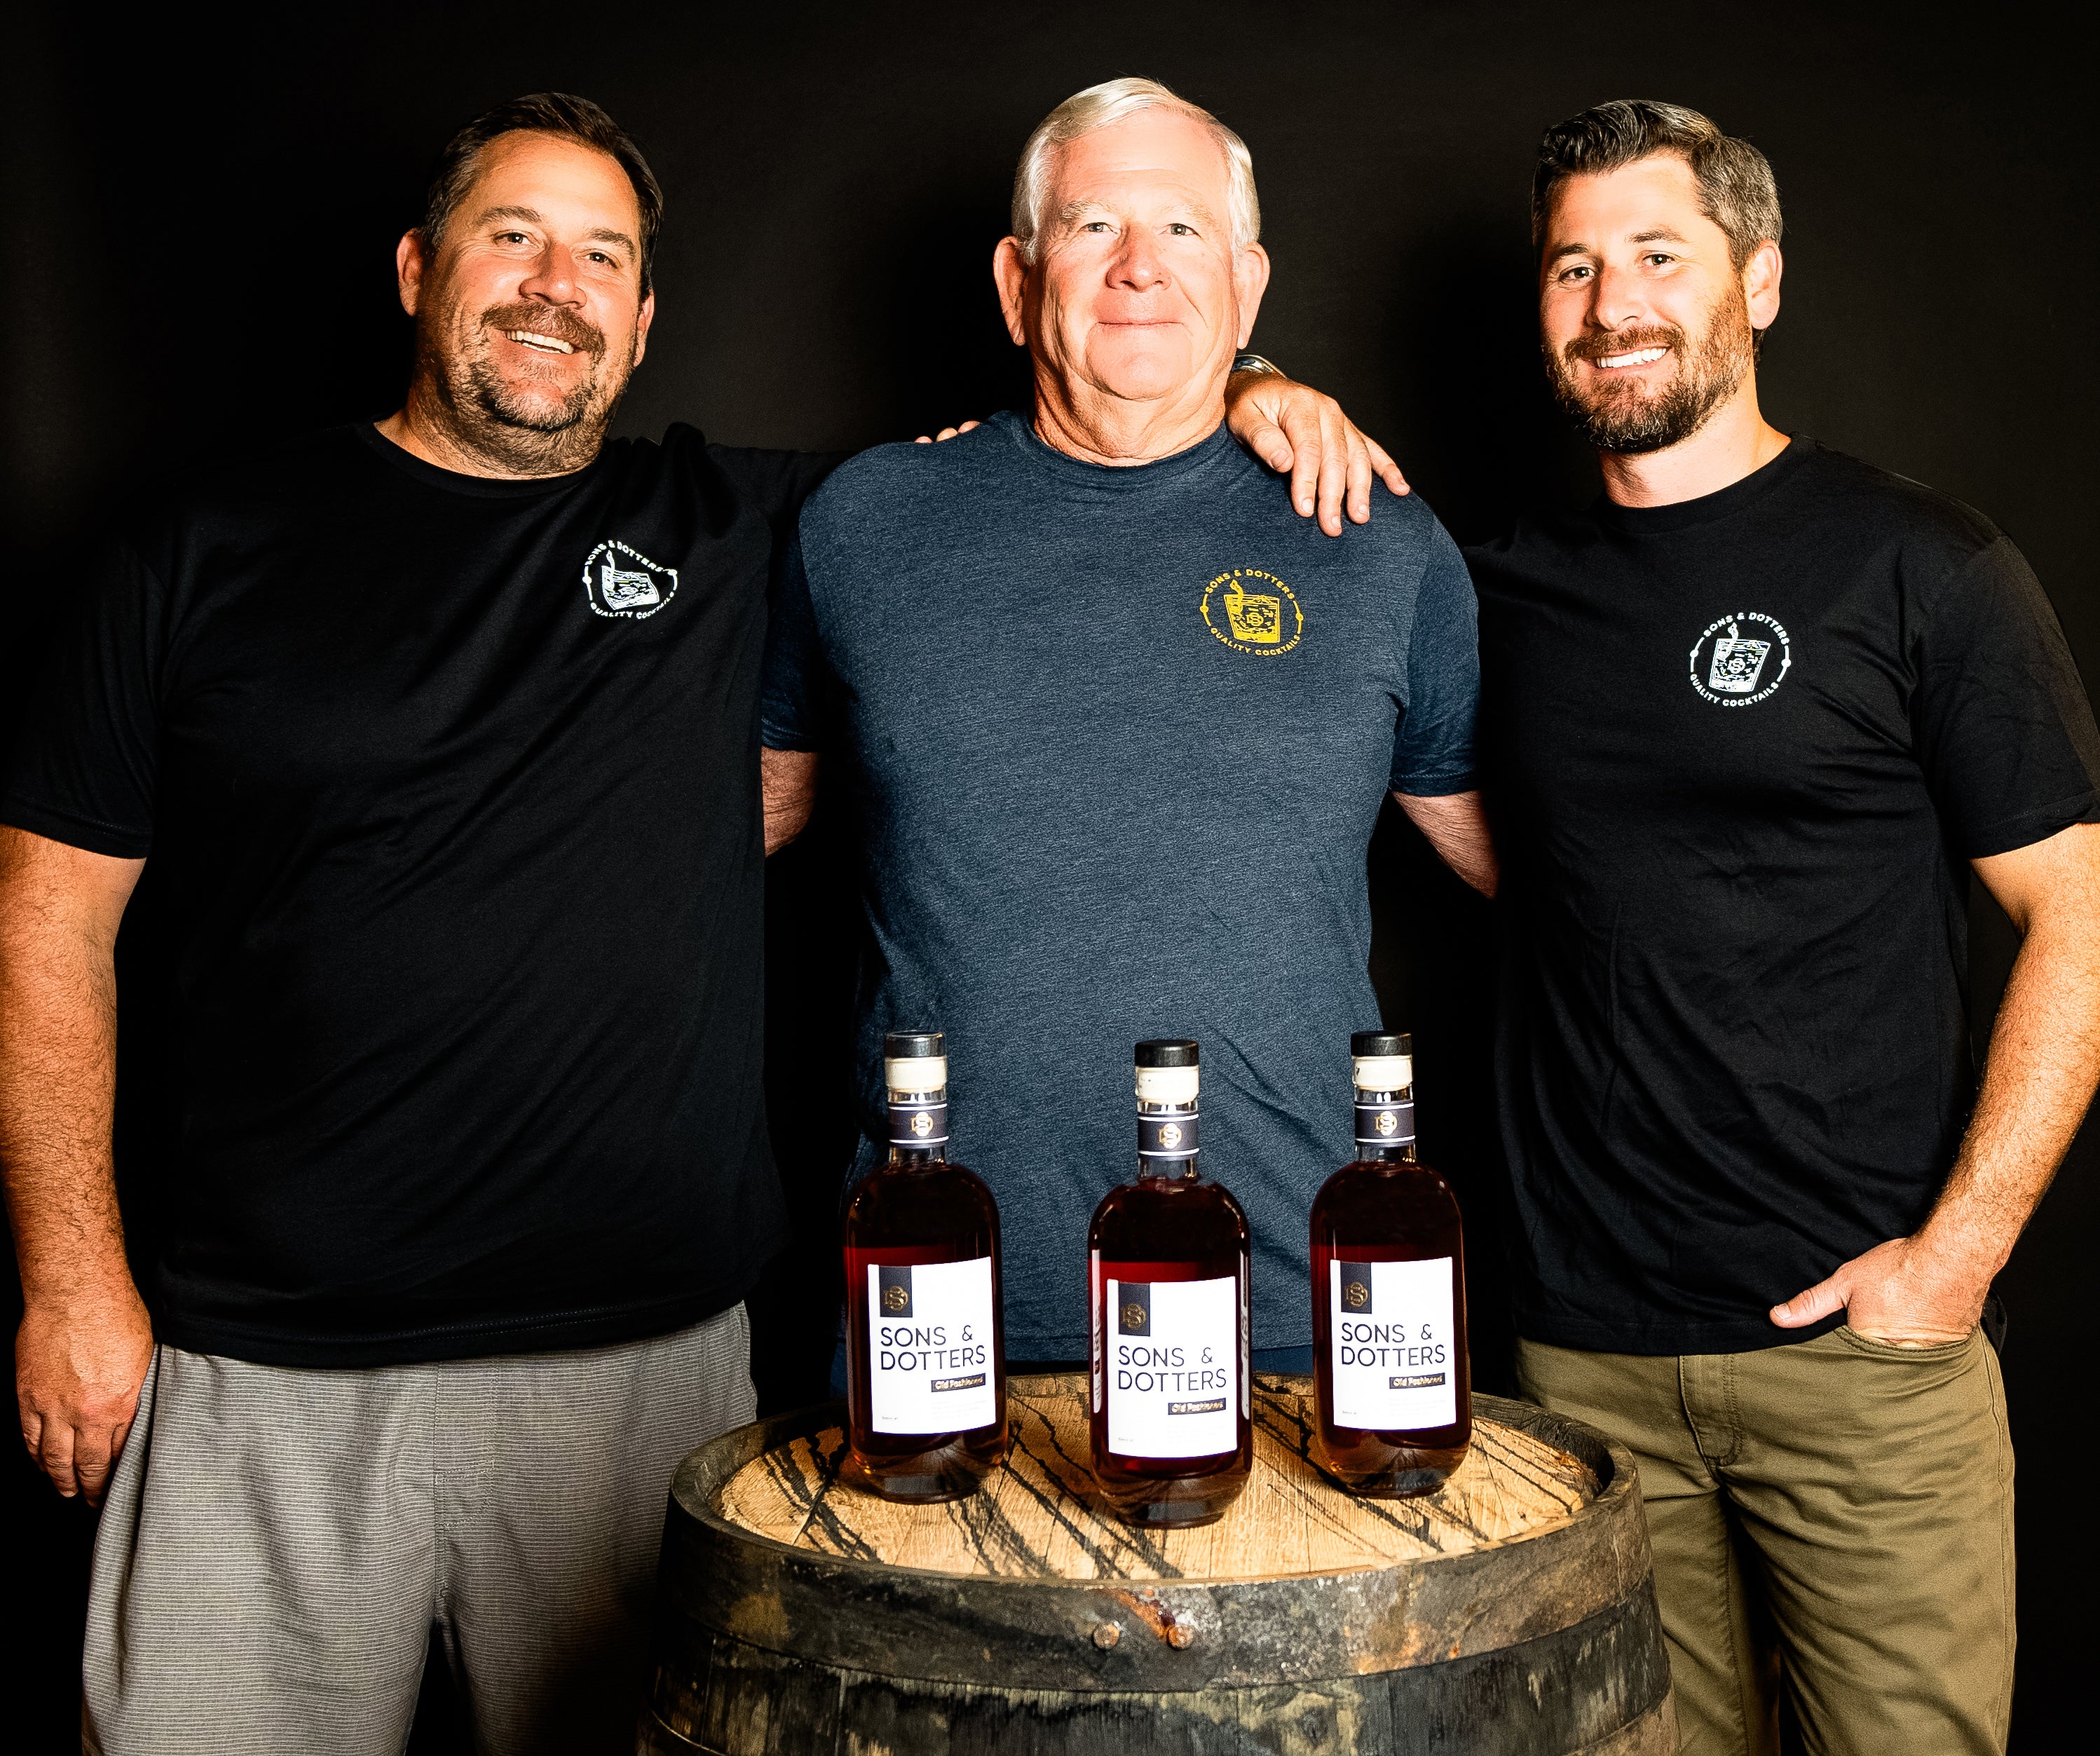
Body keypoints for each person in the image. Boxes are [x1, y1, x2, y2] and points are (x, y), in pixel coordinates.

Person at [0, 92, 1399, 1755]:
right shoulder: (199, 547)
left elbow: (1090, 420)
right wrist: (71, 1278)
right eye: (508, 236)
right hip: (267, 1365)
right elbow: (47, 916)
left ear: (645, 316)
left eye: (599, 254)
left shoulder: (746, 523)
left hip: (637, 1372)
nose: (551, 283)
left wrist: (1253, 381)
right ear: (413, 269)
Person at [1471, 99, 2100, 1755]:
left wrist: (1955, 1256)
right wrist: (1256, 394)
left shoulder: (1920, 565)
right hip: (1580, 1360)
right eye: (1573, 264)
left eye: (1658, 254)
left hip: (1860, 1359)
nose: (1613, 301)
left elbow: (2080, 915)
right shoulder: (1490, 585)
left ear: (1755, 281)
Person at [761, 77, 1495, 1383]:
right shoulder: (866, 524)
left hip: (1300, 1314)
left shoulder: (1381, 544)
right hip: (939, 1309)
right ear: (1016, 277)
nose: (1141, 269)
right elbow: (726, 827)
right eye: (1096, 228)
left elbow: (1534, 866)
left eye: (1184, 231)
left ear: (1250, 283)